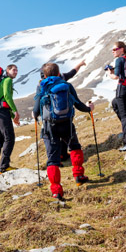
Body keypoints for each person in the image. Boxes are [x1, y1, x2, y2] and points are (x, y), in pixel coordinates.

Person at [33, 62, 94, 200]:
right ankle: (79, 175)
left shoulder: (41, 87)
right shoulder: (66, 85)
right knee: (74, 147)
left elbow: (36, 110)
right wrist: (89, 108)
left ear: (45, 74)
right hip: (67, 124)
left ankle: (57, 191)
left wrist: (34, 114)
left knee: (53, 159)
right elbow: (78, 104)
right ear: (59, 72)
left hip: (50, 127)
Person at [0, 64, 20, 176]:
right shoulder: (7, 80)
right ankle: (4, 166)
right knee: (9, 138)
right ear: (7, 70)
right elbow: (7, 96)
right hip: (2, 113)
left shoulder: (2, 81)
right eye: (13, 70)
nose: (15, 72)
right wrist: (15, 111)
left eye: (17, 70)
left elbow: (3, 100)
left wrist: (13, 117)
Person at [107, 41, 126, 151]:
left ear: (121, 49)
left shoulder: (119, 59)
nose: (113, 51)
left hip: (122, 90)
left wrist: (109, 73)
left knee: (125, 116)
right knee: (115, 103)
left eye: (115, 49)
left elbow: (116, 77)